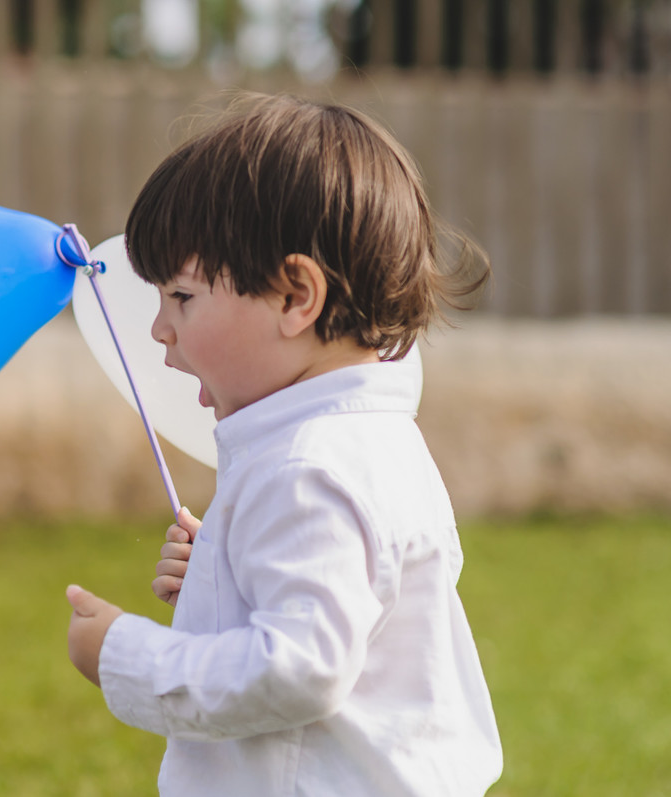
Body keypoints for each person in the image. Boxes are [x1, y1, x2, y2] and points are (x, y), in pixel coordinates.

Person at [65, 93, 502, 796]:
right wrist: (226, 574)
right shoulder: (372, 440)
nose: (158, 330)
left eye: (181, 297)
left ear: (297, 296)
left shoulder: (308, 468)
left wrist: (124, 653)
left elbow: (301, 667)